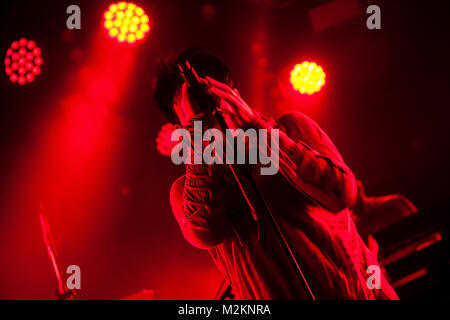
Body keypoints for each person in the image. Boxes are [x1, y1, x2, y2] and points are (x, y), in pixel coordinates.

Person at [153, 48, 398, 299]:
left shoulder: (291, 128)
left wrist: (259, 130)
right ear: (179, 128)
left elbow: (341, 193)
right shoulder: (186, 190)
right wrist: (199, 138)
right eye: (193, 108)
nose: (210, 109)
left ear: (233, 92)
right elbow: (203, 232)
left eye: (212, 94)